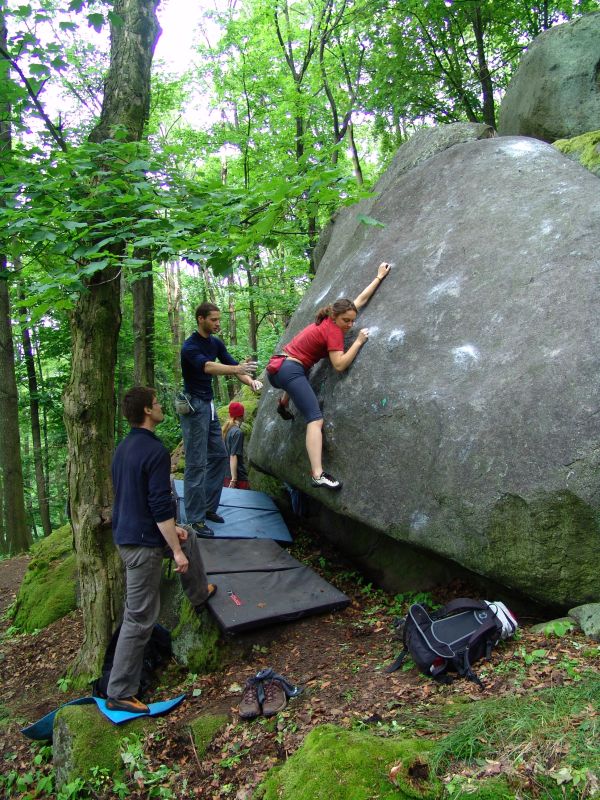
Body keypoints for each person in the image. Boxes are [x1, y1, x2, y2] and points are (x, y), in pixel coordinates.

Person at [106, 386, 216, 714]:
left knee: (189, 538)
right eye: (155, 403)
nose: (159, 406)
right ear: (146, 412)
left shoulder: (123, 448)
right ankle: (120, 691)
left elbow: (136, 496)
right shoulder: (154, 452)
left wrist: (176, 537)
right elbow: (157, 505)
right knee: (140, 617)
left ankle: (198, 594)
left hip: (136, 533)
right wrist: (175, 551)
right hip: (141, 544)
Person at [267, 261, 391, 490]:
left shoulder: (328, 317)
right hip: (290, 371)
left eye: (352, 321)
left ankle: (284, 402)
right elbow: (340, 365)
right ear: (335, 317)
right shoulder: (333, 330)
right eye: (347, 321)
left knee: (307, 366)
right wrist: (359, 342)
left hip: (278, 370)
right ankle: (317, 474)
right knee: (315, 419)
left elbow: (359, 301)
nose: (350, 325)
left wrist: (378, 277)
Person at [180, 303, 262, 537]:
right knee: (196, 463)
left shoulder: (215, 343)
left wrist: (251, 381)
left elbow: (235, 367)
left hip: (209, 406)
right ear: (200, 319)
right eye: (214, 319)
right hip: (194, 407)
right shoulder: (190, 346)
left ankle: (208, 508)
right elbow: (208, 367)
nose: (218, 323)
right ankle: (195, 519)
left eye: (219, 319)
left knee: (218, 456)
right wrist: (236, 367)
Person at [222, 401, 250, 490]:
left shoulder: (226, 430)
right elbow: (233, 456)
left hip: (226, 475)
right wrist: (234, 479)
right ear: (240, 416)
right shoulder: (238, 432)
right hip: (238, 477)